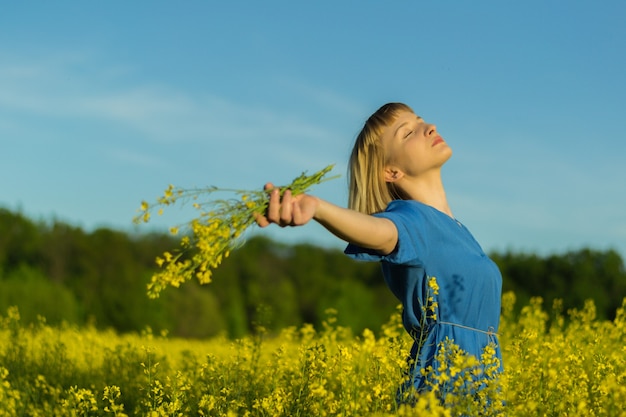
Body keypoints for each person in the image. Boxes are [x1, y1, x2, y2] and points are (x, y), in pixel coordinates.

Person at [254, 102, 503, 403]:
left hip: (482, 387)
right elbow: (381, 232)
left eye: (422, 121)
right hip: (443, 391)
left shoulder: (458, 230)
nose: (430, 128)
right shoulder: (411, 220)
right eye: (409, 132)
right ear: (391, 171)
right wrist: (318, 209)